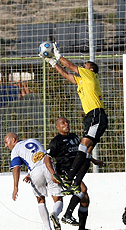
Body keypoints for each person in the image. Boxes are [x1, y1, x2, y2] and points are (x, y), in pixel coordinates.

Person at [41, 43, 108, 195]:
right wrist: (52, 63)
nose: (83, 66)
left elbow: (70, 66)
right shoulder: (82, 81)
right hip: (92, 117)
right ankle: (76, 184)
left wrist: (58, 55)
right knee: (87, 152)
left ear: (90, 70)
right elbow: (65, 74)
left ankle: (69, 178)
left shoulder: (90, 75)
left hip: (96, 115)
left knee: (83, 146)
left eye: (86, 65)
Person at [48, 117, 104, 230]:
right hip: (66, 171)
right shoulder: (56, 141)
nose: (66, 124)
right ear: (57, 127)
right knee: (82, 189)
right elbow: (47, 158)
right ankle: (67, 215)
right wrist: (53, 173)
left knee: (85, 199)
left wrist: (94, 161)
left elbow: (82, 152)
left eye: (67, 122)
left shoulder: (75, 137)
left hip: (76, 170)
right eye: (63, 123)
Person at [4, 132, 63, 230]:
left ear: (13, 140)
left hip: (36, 172)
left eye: (6, 142)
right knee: (58, 199)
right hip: (48, 167)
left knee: (40, 200)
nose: (6, 145)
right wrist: (29, 173)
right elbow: (42, 158)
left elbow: (16, 168)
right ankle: (55, 214)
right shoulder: (33, 140)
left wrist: (15, 187)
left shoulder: (15, 150)